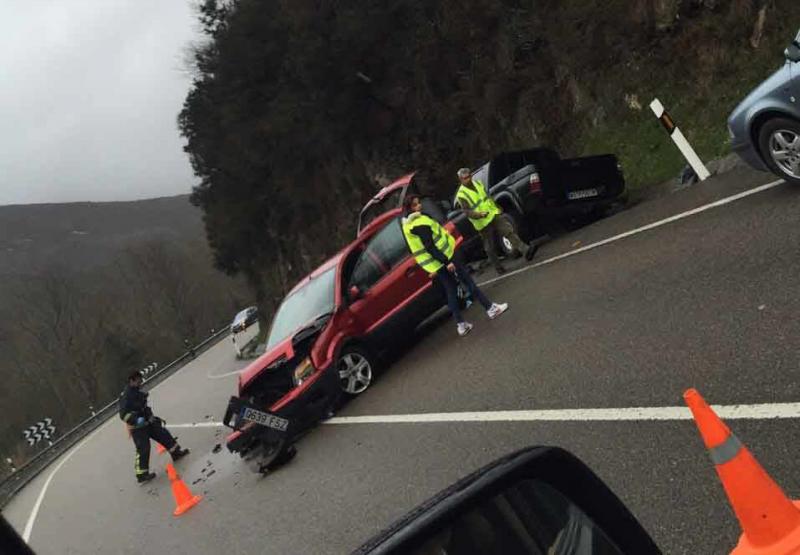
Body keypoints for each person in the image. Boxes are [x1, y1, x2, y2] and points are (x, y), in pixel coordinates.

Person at [401, 194, 508, 336]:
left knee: (451, 290)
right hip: (445, 258)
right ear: (409, 209)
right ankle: (490, 308)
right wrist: (447, 262)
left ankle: (461, 325)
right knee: (468, 282)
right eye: (415, 205)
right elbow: (430, 247)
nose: (419, 206)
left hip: (436, 264)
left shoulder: (408, 226)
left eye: (418, 203)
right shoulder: (419, 223)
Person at [455, 167, 538, 275]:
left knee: (508, 230)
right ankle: (498, 267)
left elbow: (488, 197)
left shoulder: (478, 184)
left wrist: (497, 207)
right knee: (490, 246)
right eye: (465, 178)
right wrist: (478, 215)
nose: (468, 179)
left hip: (492, 213)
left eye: (469, 176)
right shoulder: (461, 195)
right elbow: (467, 211)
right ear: (461, 180)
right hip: (482, 222)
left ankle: (526, 250)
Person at [119, 371, 190, 483]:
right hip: (137, 427)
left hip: (147, 421)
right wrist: (136, 420)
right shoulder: (126, 395)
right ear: (131, 380)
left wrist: (150, 416)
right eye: (138, 380)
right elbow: (123, 414)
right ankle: (141, 474)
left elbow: (143, 406)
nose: (141, 382)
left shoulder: (137, 391)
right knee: (143, 449)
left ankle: (176, 452)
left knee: (163, 434)